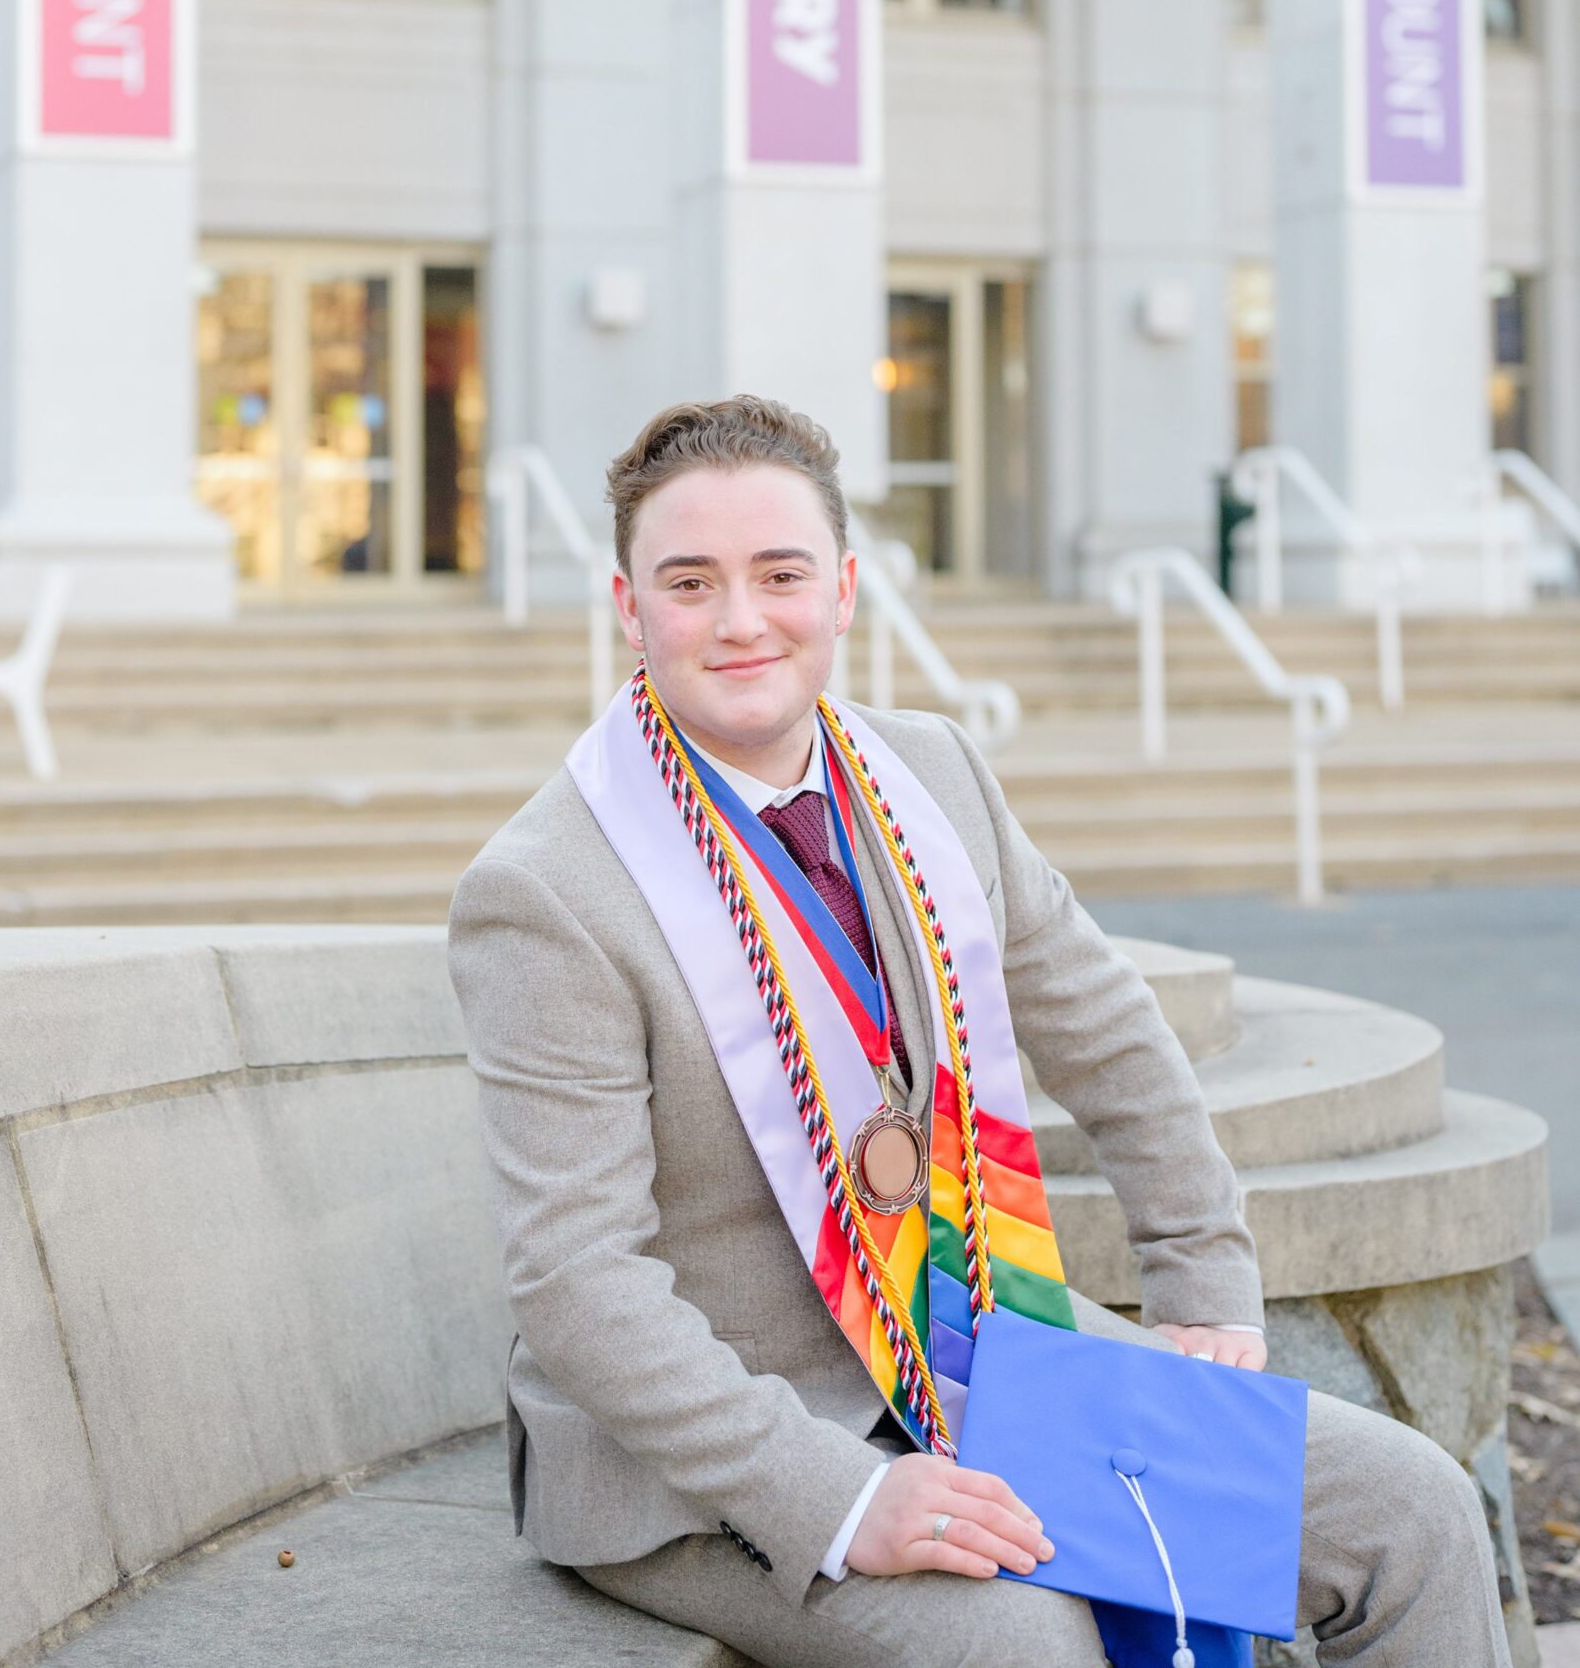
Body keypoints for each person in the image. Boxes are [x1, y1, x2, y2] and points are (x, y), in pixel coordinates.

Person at [447, 396, 1510, 1667]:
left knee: (1414, 1513)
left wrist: (1202, 1273)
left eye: (778, 574)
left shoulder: (930, 772)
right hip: (713, 1447)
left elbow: (1106, 1026)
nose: (740, 620)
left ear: (842, 590)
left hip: (981, 1356)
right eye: (690, 582)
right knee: (1024, 1643)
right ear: (630, 607)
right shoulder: (548, 889)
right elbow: (577, 1279)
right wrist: (833, 1497)